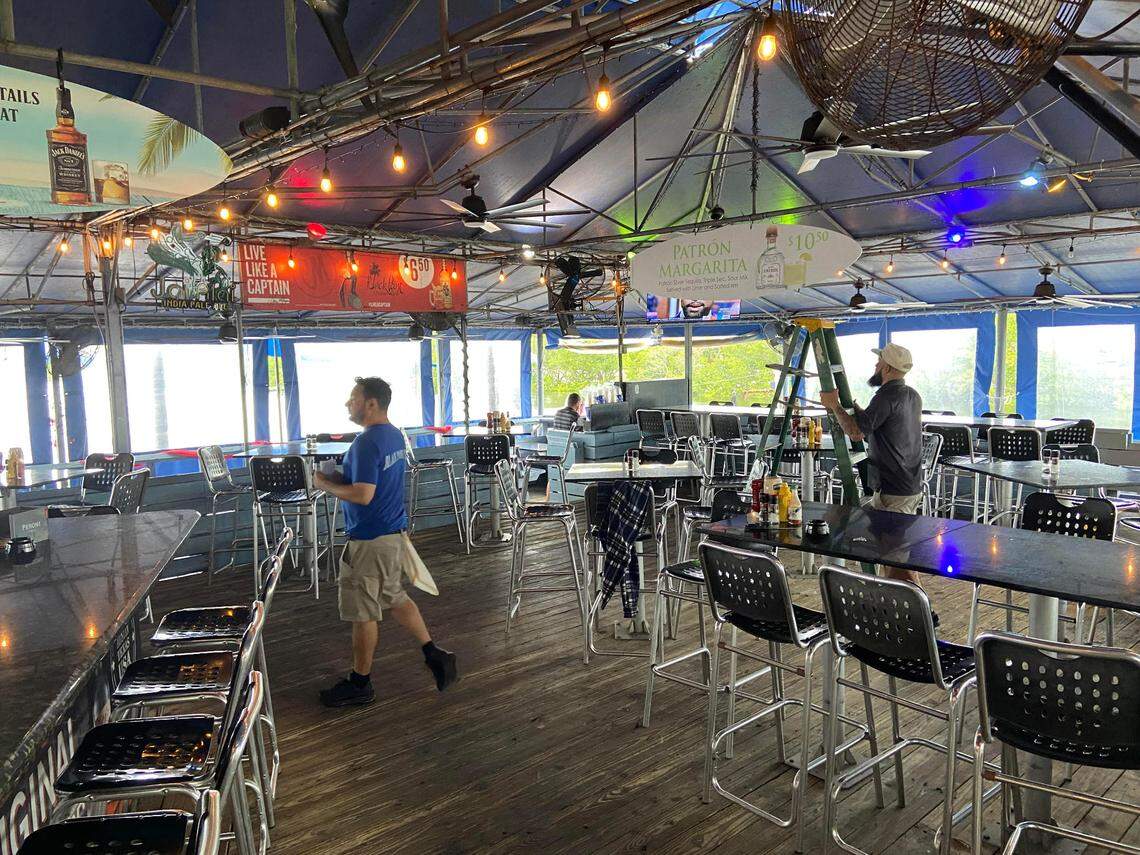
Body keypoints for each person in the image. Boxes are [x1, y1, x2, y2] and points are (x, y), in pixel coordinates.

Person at [313, 376, 457, 707]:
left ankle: (360, 683)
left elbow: (364, 495)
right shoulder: (394, 436)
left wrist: (324, 484)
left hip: (369, 540)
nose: (348, 404)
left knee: (363, 612)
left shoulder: (366, 442)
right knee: (394, 596)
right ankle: (434, 653)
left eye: (353, 398)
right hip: (392, 534)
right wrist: (341, 478)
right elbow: (374, 482)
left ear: (371, 403)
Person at [818, 343, 928, 584]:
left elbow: (856, 433)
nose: (876, 365)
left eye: (879, 362)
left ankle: (917, 603)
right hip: (907, 484)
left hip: (893, 489)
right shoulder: (912, 395)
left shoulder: (886, 396)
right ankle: (894, 597)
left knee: (895, 560)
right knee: (893, 552)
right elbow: (883, 426)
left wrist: (834, 405)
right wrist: (860, 411)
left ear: (887, 368)